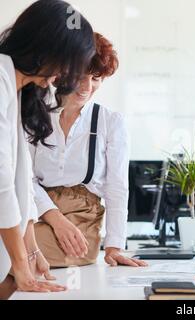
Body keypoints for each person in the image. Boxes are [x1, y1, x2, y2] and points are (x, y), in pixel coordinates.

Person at [0, 0, 95, 297]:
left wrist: (31, 254)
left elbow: (20, 184)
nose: (64, 75)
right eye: (67, 63)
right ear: (46, 48)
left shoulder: (17, 90)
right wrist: (21, 264)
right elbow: (1, 183)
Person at [30, 33, 147, 268]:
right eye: (80, 76)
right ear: (60, 74)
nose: (87, 87)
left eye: (95, 78)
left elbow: (117, 187)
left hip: (81, 218)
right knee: (13, 244)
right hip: (37, 211)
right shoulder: (34, 116)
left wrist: (114, 246)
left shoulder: (110, 122)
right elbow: (24, 178)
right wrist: (54, 217)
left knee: (13, 251)